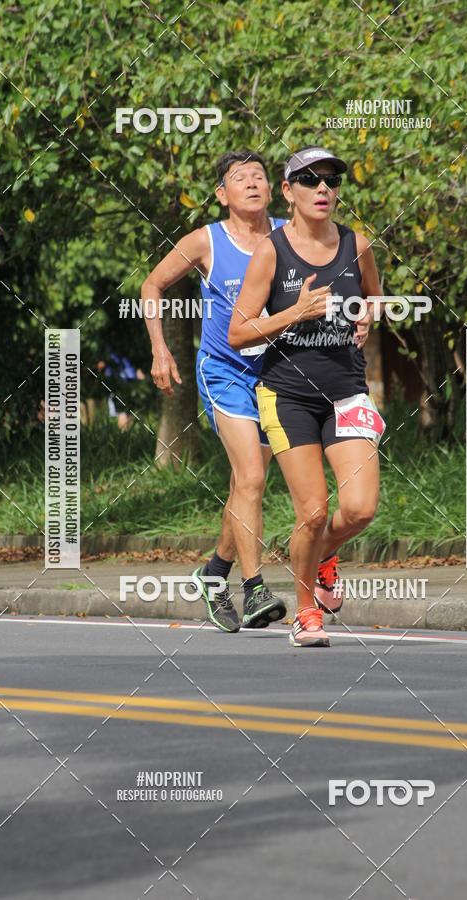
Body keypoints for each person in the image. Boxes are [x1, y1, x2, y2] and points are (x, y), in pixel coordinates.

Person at [229, 146, 385, 648]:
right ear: (289, 190)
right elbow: (239, 332)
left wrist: (368, 315)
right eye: (311, 180)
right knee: (313, 511)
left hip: (346, 391)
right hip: (288, 394)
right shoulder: (271, 251)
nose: (324, 189)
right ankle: (305, 612)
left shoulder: (355, 244)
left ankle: (318, 555)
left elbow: (375, 295)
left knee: (360, 509)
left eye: (332, 181)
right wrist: (294, 313)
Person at [142, 150, 287, 633]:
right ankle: (256, 589)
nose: (251, 183)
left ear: (275, 189)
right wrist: (161, 349)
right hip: (223, 370)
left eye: (260, 176)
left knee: (246, 485)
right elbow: (152, 285)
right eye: (239, 178)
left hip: (276, 372)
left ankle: (213, 573)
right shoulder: (206, 240)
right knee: (250, 477)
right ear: (222, 195)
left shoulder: (290, 235)